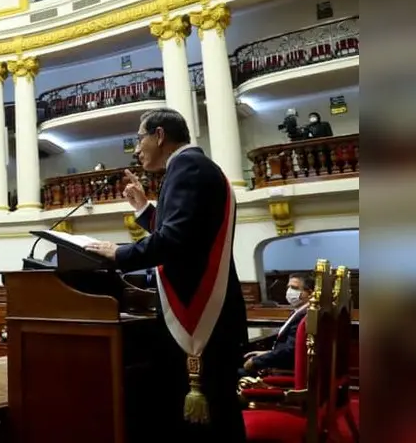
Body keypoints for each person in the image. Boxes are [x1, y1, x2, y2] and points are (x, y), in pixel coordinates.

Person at [84, 108, 248, 442]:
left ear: (159, 135)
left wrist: (119, 254)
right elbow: (187, 234)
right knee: (218, 414)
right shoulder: (198, 167)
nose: (136, 149)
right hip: (217, 316)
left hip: (202, 316)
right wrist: (145, 210)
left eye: (139, 138)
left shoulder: (186, 167)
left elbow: (174, 241)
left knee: (212, 419)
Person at [242, 273, 314, 375]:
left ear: (310, 293)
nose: (289, 291)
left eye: (294, 288)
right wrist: (267, 353)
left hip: (287, 369)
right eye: (288, 287)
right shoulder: (299, 311)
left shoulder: (304, 316)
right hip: (282, 361)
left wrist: (256, 361)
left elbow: (290, 352)